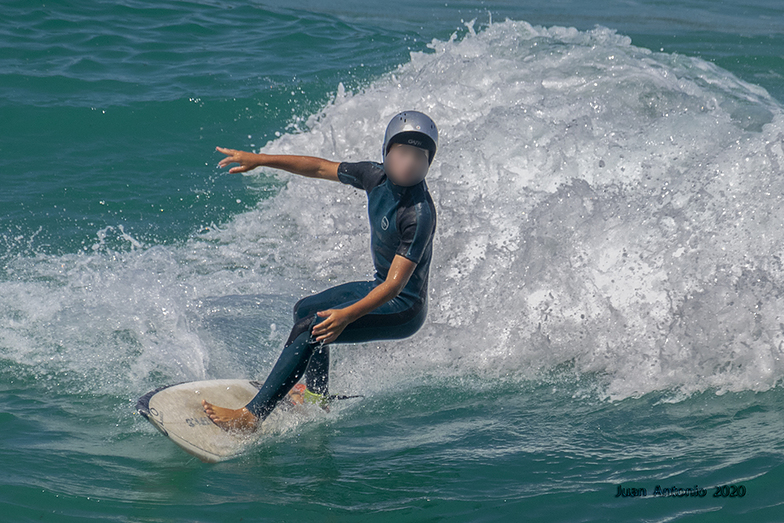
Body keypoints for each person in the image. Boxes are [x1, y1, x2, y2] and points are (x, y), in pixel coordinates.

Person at [202, 111, 439, 432]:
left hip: (403, 309)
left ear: (429, 163)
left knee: (311, 328)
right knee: (307, 309)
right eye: (402, 153)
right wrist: (261, 159)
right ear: (386, 152)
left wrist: (347, 316)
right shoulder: (374, 176)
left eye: (419, 157)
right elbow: (318, 167)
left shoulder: (418, 213)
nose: (409, 163)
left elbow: (396, 286)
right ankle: (315, 396)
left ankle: (251, 417)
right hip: (378, 286)